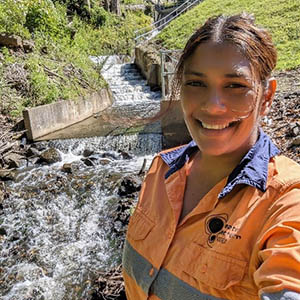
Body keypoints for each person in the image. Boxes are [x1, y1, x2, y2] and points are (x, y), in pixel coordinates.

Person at [122, 12, 300, 300]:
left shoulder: (286, 200)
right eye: (196, 83)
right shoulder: (161, 168)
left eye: (235, 86)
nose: (213, 106)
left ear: (266, 97)